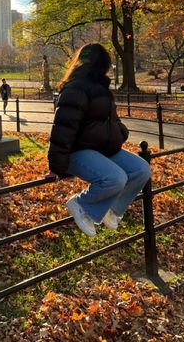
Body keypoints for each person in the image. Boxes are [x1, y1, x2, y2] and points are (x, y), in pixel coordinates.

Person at [47, 43, 151, 237]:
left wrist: (120, 133)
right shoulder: (75, 89)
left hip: (103, 149)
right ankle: (81, 204)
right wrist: (57, 167)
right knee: (115, 178)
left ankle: (113, 210)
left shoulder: (101, 88)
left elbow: (112, 119)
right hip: (78, 152)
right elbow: (63, 129)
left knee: (141, 169)